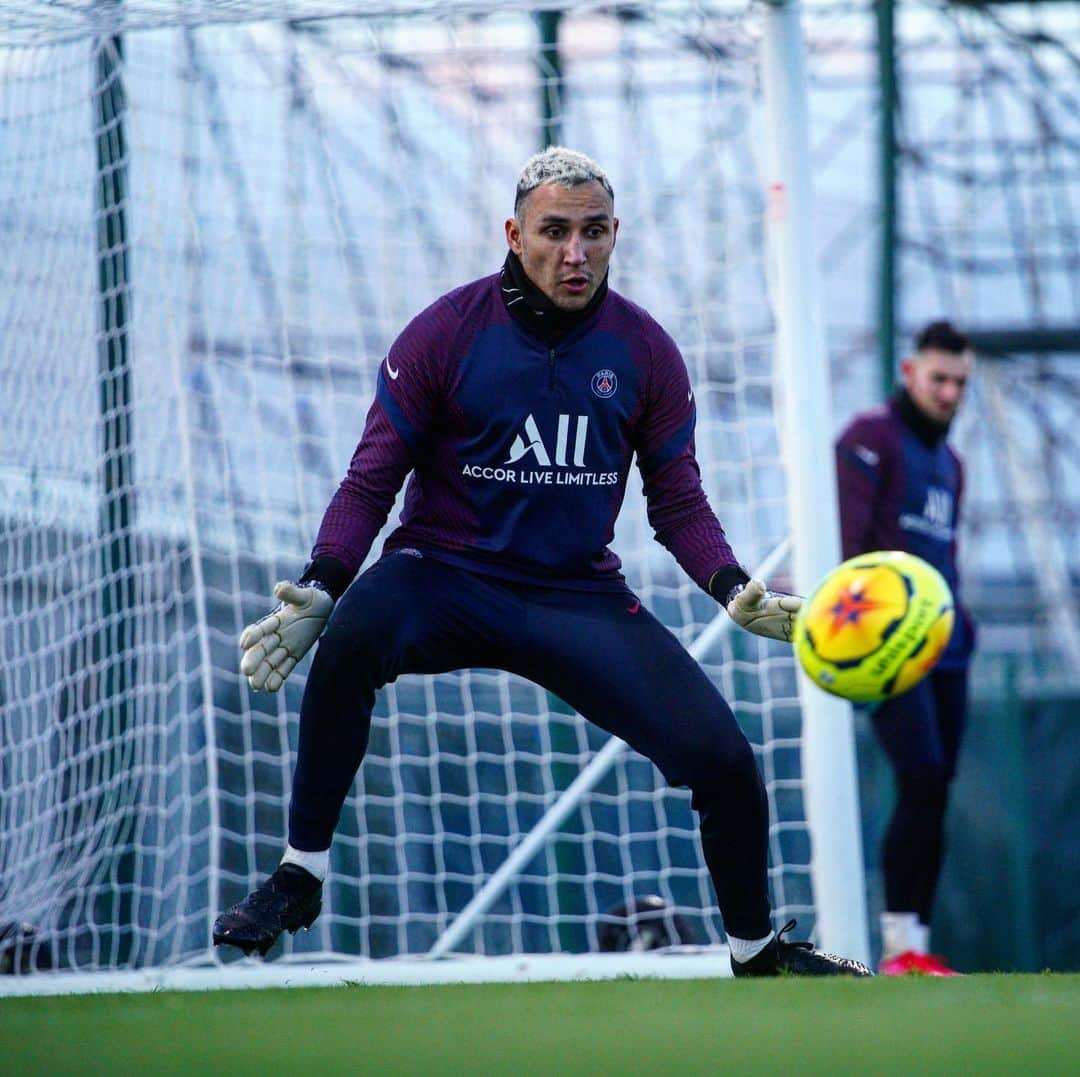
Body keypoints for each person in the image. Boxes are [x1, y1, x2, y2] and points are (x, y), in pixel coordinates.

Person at [213, 147, 871, 978]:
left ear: (615, 234)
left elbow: (677, 503)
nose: (576, 252)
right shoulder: (445, 332)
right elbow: (370, 476)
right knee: (349, 640)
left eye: (594, 232)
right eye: (554, 231)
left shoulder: (645, 352)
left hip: (574, 596)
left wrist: (731, 585)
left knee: (727, 761)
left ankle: (756, 953)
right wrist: (322, 581)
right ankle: (299, 875)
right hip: (442, 574)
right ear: (513, 233)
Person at [835, 320, 977, 976]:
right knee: (917, 774)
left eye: (959, 383)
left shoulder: (951, 462)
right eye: (939, 378)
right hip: (886, 647)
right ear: (908, 372)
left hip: (949, 648)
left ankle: (914, 942)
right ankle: (897, 949)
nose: (949, 392)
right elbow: (846, 546)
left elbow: (944, 555)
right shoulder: (869, 438)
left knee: (936, 788)